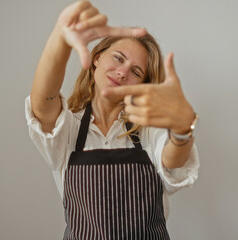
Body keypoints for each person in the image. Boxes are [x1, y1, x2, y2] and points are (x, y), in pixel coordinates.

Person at [25, 1, 200, 239]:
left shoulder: (148, 130)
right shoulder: (69, 130)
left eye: (136, 72)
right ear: (96, 57)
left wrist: (181, 130)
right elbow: (42, 104)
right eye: (118, 58)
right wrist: (60, 39)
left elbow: (174, 160)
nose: (122, 72)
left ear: (142, 85)